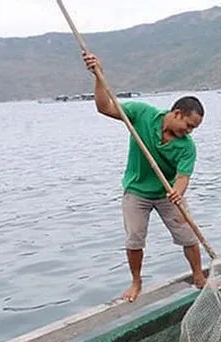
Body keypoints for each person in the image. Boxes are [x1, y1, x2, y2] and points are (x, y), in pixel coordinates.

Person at [82, 51, 208, 302]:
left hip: (167, 194)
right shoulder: (142, 113)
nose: (190, 131)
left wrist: (177, 192)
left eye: (194, 129)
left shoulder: (187, 147)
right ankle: (136, 281)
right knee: (135, 238)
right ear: (177, 113)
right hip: (136, 191)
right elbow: (104, 107)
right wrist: (99, 75)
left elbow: (183, 177)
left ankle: (198, 274)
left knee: (188, 233)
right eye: (189, 125)